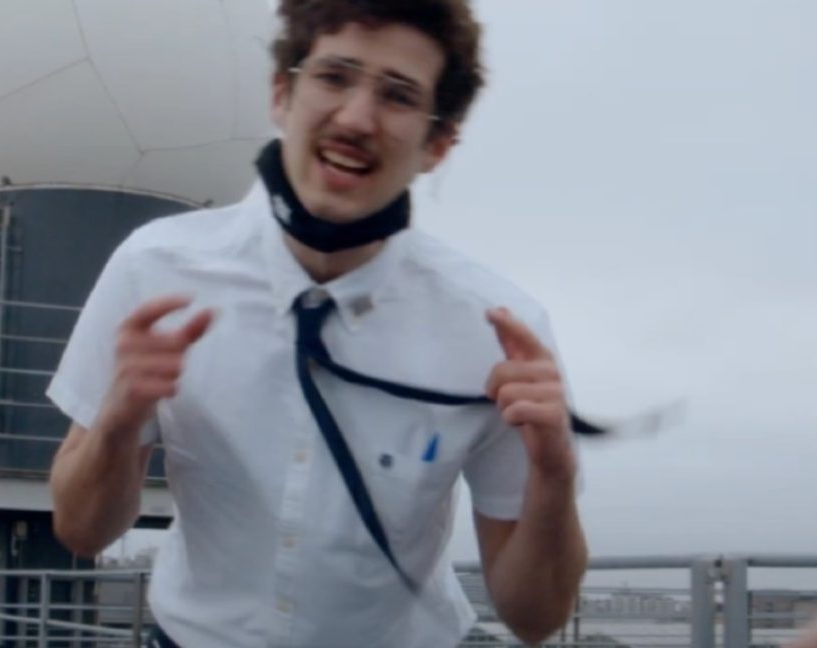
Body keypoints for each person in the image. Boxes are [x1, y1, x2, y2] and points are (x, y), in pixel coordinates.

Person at [48, 1, 588, 645]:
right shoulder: (154, 271)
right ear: (283, 93)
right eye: (334, 77)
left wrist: (554, 477)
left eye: (397, 95)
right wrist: (117, 422)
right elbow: (82, 529)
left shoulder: (498, 331)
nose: (356, 118)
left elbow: (536, 617)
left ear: (436, 144)